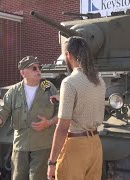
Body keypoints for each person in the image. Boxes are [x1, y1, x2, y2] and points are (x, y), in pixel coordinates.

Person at [0, 55, 58, 180]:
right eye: (34, 68)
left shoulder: (48, 87)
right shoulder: (14, 91)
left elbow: (62, 112)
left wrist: (49, 122)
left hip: (43, 145)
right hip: (20, 146)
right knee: (18, 177)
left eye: (39, 67)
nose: (38, 71)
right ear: (23, 73)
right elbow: (3, 112)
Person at [47, 36, 106, 180]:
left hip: (76, 147)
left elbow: (62, 127)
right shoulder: (99, 80)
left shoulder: (69, 82)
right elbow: (88, 100)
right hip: (96, 145)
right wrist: (64, 99)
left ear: (68, 55)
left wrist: (52, 162)